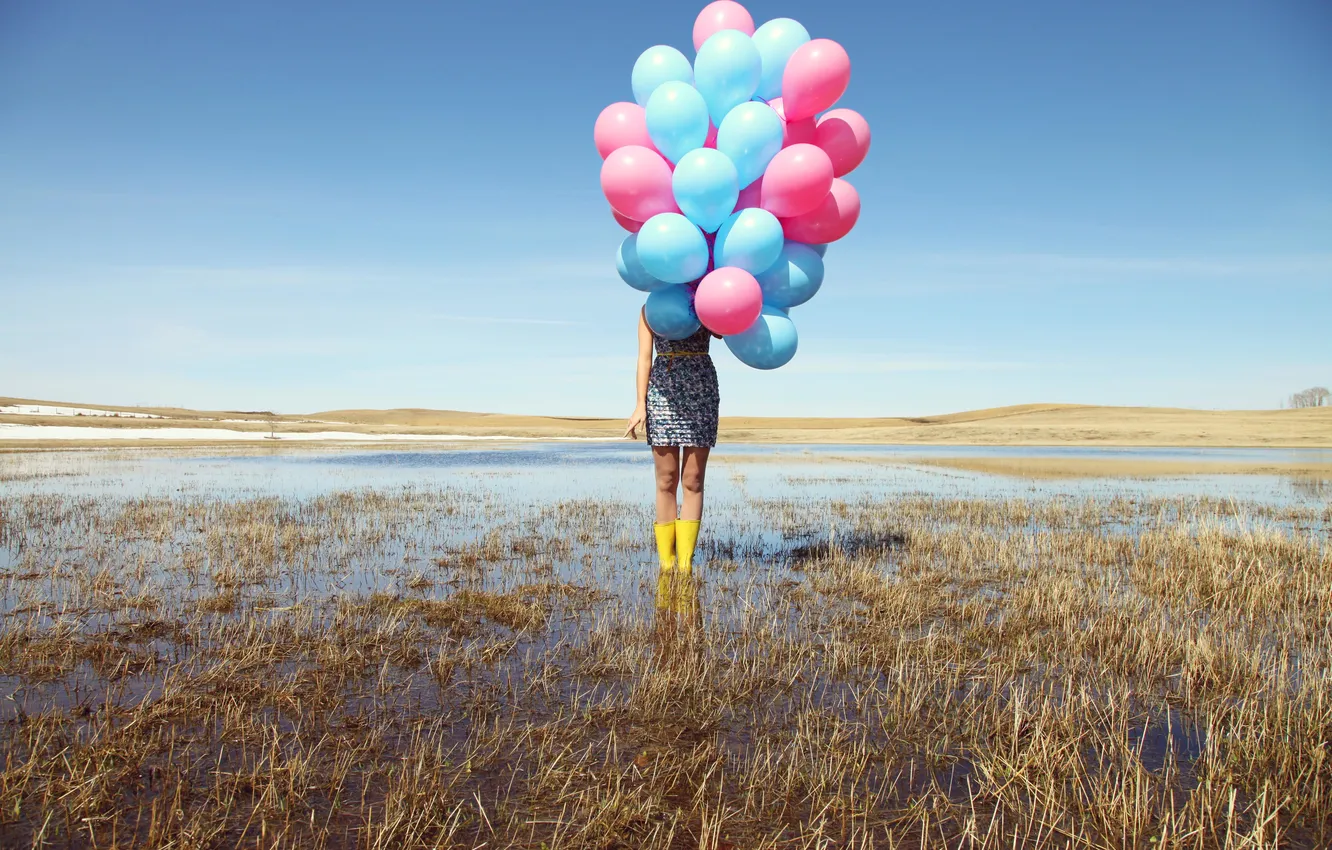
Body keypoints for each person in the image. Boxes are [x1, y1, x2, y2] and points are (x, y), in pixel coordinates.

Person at [625, 307, 719, 578]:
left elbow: (725, 330)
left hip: (701, 388)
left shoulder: (705, 298)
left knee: (693, 479)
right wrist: (639, 405)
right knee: (666, 479)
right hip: (662, 391)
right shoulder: (648, 309)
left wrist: (707, 307)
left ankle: (686, 564)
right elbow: (644, 359)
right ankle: (667, 565)